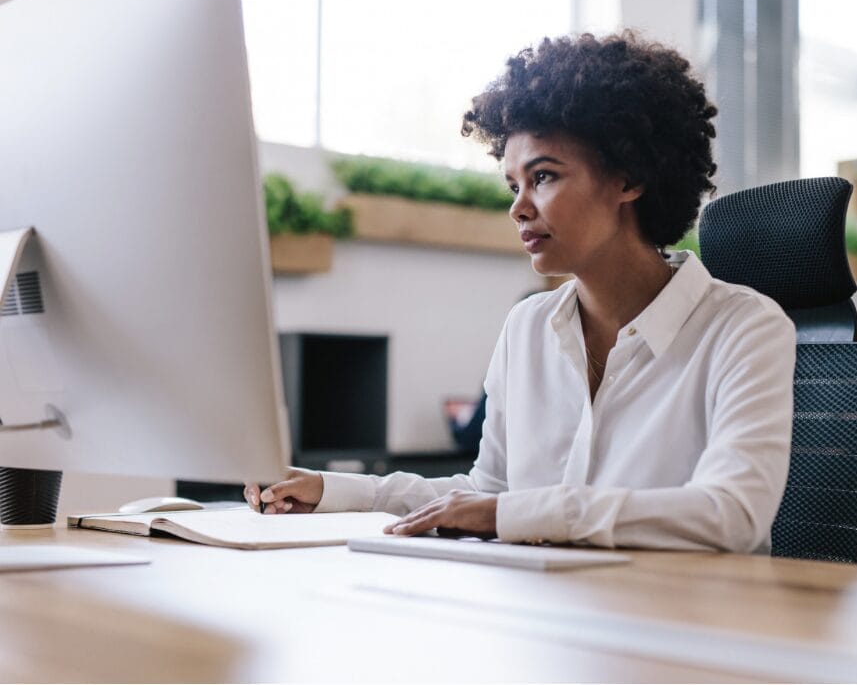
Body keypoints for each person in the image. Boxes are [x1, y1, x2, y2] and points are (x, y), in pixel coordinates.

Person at [245, 32, 795, 552]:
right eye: (514, 185)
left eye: (544, 177)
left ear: (629, 179)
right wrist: (335, 492)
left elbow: (732, 515)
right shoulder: (528, 327)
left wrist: (518, 514)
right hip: (553, 617)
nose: (518, 207)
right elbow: (488, 493)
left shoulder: (744, 328)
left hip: (695, 627)